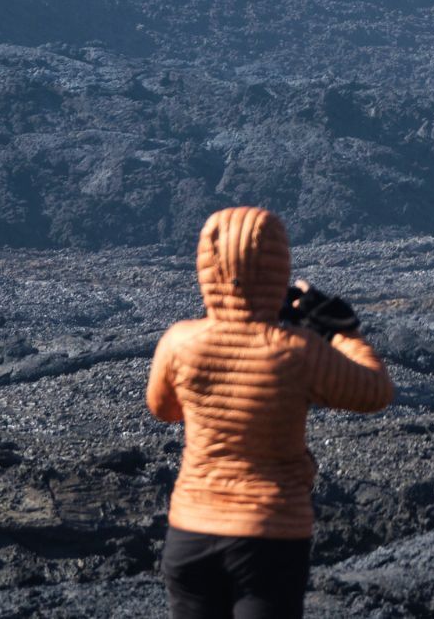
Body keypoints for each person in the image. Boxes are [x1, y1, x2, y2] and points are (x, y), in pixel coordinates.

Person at [147, 205, 394, 619]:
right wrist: (344, 332)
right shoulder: (298, 351)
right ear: (278, 267)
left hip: (191, 530)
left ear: (207, 265)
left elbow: (164, 409)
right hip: (269, 535)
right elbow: (375, 392)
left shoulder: (179, 342)